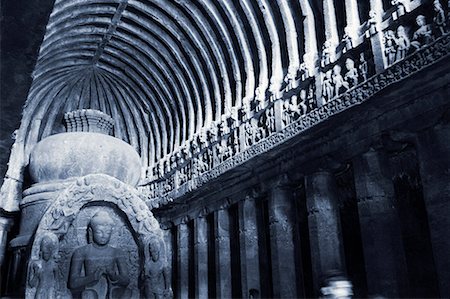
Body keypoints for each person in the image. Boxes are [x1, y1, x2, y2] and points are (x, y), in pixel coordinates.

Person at [69, 211, 130, 299]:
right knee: (87, 295)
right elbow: (73, 283)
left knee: (128, 292)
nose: (103, 236)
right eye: (99, 232)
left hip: (112, 289)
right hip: (91, 289)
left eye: (107, 233)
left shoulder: (117, 252)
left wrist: (114, 276)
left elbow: (126, 280)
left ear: (112, 233)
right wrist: (92, 277)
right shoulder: (81, 252)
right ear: (91, 232)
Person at [28, 233, 59, 299]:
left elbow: (57, 282)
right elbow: (31, 284)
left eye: (48, 252)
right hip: (40, 290)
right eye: (45, 252)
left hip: (51, 290)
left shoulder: (54, 265)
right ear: (41, 252)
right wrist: (36, 274)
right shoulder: (35, 264)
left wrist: (57, 292)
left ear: (51, 252)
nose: (47, 254)